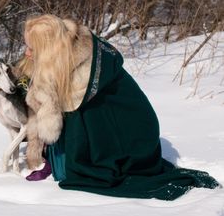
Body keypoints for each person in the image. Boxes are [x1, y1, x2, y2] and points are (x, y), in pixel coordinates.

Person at [18, 14, 219, 200]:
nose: (26, 53)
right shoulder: (62, 55)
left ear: (48, 49)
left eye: (32, 49)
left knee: (72, 171)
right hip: (121, 127)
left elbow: (84, 121)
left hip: (130, 135)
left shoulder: (83, 72)